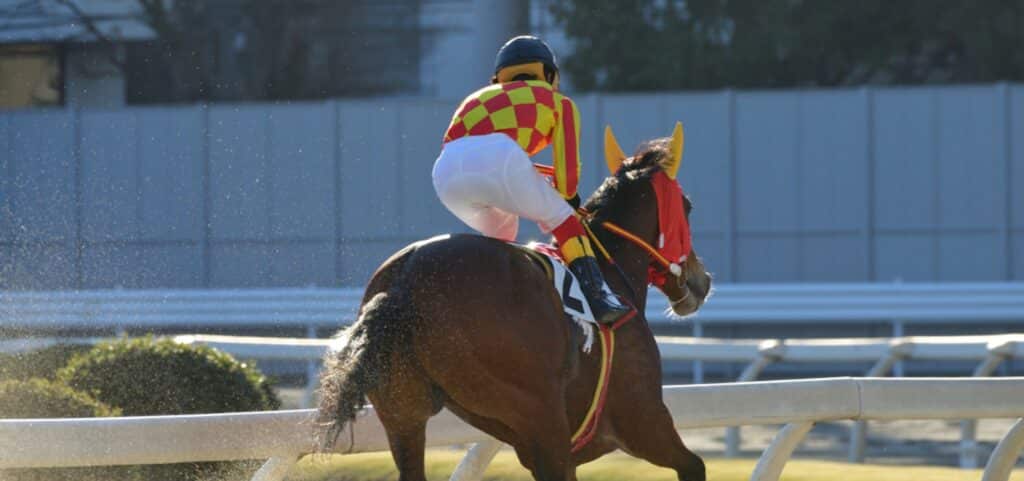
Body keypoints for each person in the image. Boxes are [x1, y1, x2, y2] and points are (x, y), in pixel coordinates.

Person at [432, 35, 633, 325]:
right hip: (500, 159)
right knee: (564, 220)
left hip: (445, 172)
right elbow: (566, 172)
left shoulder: (474, 99)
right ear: (549, 75)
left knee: (503, 233)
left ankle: (489, 290)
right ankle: (599, 297)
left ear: (498, 77)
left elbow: (469, 151)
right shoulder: (559, 103)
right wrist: (568, 198)